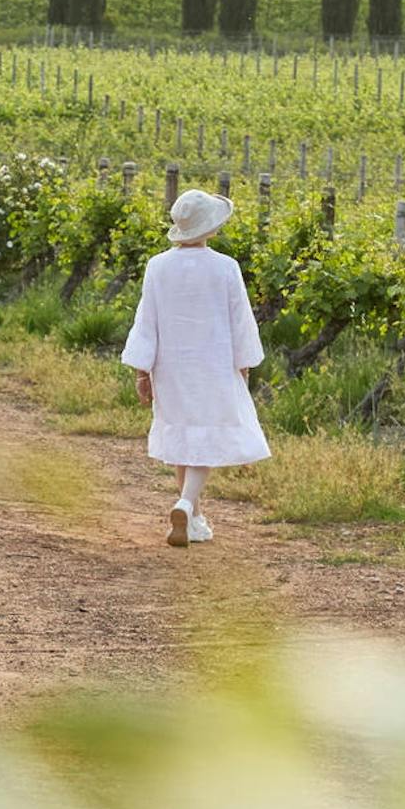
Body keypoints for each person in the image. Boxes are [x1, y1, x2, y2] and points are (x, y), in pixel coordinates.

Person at [120, 185, 269, 547]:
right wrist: (245, 364)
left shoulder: (157, 266)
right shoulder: (225, 268)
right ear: (210, 228)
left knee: (183, 432)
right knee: (206, 436)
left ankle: (196, 518)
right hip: (213, 364)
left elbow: (146, 320)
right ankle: (187, 504)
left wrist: (143, 370)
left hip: (170, 366)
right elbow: (241, 321)